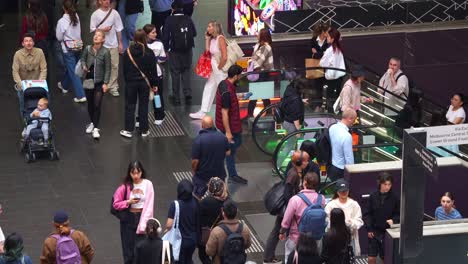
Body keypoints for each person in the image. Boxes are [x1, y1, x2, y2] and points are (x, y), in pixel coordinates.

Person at [112, 161, 155, 264]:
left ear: (141, 172)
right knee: (128, 248)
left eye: (138, 172)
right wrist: (128, 202)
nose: (136, 175)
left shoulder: (148, 184)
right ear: (129, 173)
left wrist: (145, 223)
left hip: (142, 217)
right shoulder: (124, 187)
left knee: (141, 248)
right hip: (128, 219)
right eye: (133, 173)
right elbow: (115, 204)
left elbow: (149, 204)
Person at [120, 30, 159, 138]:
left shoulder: (127, 52)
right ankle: (144, 129)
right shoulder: (149, 52)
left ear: (134, 38)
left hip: (131, 83)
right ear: (145, 38)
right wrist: (154, 84)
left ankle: (128, 130)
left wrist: (128, 81)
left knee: (130, 106)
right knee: (144, 105)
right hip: (144, 83)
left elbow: (125, 69)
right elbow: (153, 71)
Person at [279, 172, 326, 263]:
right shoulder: (322, 199)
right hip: (316, 237)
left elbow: (287, 219)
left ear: (304, 183)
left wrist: (282, 232)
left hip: (297, 237)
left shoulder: (295, 199)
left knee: (290, 257)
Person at [215, 65, 248, 184]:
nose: (241, 77)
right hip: (231, 126)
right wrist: (228, 132)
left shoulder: (223, 84)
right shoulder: (227, 92)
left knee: (232, 147)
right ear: (235, 76)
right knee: (233, 146)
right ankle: (232, 173)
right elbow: (225, 113)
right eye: (240, 75)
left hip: (229, 124)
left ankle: (230, 167)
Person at [189, 20, 227, 119]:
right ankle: (203, 111)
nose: (207, 28)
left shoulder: (220, 38)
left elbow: (225, 56)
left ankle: (229, 110)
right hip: (213, 66)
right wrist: (207, 39)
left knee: (224, 89)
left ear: (215, 27)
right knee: (209, 87)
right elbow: (207, 51)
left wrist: (219, 67)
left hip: (219, 67)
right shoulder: (213, 39)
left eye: (210, 26)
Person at [163, 1, 197, 105]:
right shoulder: (188, 18)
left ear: (172, 9)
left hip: (174, 51)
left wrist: (166, 49)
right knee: (186, 71)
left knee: (175, 72)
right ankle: (187, 94)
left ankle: (176, 97)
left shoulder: (169, 20)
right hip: (187, 50)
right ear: (182, 9)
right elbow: (194, 33)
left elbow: (166, 36)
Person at [80, 29, 111, 139]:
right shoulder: (88, 49)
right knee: (90, 104)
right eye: (95, 35)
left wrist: (106, 83)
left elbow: (108, 68)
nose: (96, 37)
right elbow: (82, 59)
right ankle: (92, 122)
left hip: (99, 82)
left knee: (97, 104)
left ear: (103, 39)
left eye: (99, 36)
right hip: (88, 80)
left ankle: (96, 128)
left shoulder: (105, 52)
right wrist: (84, 65)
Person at [364, 172, 400, 264]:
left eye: (389, 184)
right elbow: (368, 214)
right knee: (371, 258)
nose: (387, 187)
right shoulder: (373, 196)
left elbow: (399, 213)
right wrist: (369, 229)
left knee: (386, 258)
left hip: (388, 232)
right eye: (385, 184)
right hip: (375, 231)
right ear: (380, 183)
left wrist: (394, 220)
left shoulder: (395, 197)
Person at [90, 0, 124, 97]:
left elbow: (118, 29)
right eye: (104, 0)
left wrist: (120, 43)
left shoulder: (114, 13)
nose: (107, 1)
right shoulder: (95, 15)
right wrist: (102, 30)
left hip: (113, 44)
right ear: (99, 2)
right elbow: (92, 29)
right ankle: (103, 84)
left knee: (114, 65)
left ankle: (113, 86)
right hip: (101, 44)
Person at [191, 116, 230, 199]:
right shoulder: (222, 137)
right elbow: (228, 152)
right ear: (213, 124)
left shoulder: (198, 140)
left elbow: (195, 161)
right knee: (220, 195)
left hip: (202, 175)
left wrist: (194, 171)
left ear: (202, 125)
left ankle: (197, 210)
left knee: (196, 196)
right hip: (219, 173)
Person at [56, 0, 86, 102]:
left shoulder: (61, 21)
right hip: (78, 46)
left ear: (63, 8)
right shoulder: (76, 16)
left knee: (74, 71)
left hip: (68, 49)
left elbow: (59, 37)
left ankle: (80, 95)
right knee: (73, 68)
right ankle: (64, 85)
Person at [325, 179, 363, 256]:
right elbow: (327, 222)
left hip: (351, 238)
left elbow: (359, 221)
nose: (344, 193)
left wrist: (350, 223)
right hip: (334, 240)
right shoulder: (331, 205)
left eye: (345, 191)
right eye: (341, 191)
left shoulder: (354, 204)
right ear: (337, 192)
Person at [206, 200, 252, 264]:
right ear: (236, 213)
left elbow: (209, 252)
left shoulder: (216, 231)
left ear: (223, 212)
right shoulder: (244, 228)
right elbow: (248, 245)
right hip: (239, 261)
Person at [12, 33, 47, 114]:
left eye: (30, 41)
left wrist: (40, 82)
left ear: (33, 43)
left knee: (41, 106)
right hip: (23, 85)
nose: (28, 43)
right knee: (23, 106)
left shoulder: (39, 52)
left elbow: (43, 69)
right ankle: (25, 123)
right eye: (26, 41)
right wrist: (21, 84)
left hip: (37, 84)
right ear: (23, 43)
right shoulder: (18, 54)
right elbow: (15, 71)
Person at [165, 180, 199, 264]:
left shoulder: (175, 204)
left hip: (180, 240)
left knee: (179, 261)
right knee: (188, 259)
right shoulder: (195, 202)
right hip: (192, 239)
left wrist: (167, 229)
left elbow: (169, 224)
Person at [198, 177, 229, 264]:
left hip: (207, 233)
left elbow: (198, 215)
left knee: (203, 255)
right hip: (223, 232)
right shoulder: (227, 200)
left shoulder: (206, 202)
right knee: (218, 255)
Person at [143, 24, 167, 125]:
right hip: (144, 74)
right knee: (143, 96)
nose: (155, 34)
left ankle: (159, 115)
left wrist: (153, 60)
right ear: (146, 34)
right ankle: (141, 117)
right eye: (153, 32)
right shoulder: (141, 44)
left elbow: (164, 57)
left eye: (155, 32)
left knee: (157, 95)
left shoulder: (159, 43)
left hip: (157, 74)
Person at [247, 28, 274, 117]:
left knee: (260, 96)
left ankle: (250, 115)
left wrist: (251, 64)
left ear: (262, 36)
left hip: (263, 74)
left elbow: (259, 62)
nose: (257, 35)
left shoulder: (266, 47)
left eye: (259, 34)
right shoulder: (258, 45)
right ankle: (267, 113)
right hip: (258, 74)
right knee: (261, 96)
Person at [319, 27, 345, 112]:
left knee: (330, 99)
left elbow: (322, 63)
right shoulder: (338, 49)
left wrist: (324, 56)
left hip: (331, 78)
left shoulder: (330, 50)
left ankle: (331, 114)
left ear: (332, 38)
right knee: (337, 98)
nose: (327, 38)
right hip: (339, 78)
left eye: (328, 37)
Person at [328, 109, 357, 181]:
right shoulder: (346, 136)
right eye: (354, 119)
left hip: (332, 166)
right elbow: (348, 157)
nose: (354, 122)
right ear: (350, 119)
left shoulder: (332, 127)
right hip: (341, 170)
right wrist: (352, 173)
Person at [309, 22, 330, 112]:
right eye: (327, 32)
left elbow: (327, 54)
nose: (328, 34)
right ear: (323, 32)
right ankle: (317, 105)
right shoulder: (313, 40)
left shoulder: (328, 41)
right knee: (317, 87)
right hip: (316, 67)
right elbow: (311, 52)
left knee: (328, 87)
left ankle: (327, 106)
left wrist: (317, 53)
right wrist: (322, 53)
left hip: (327, 68)